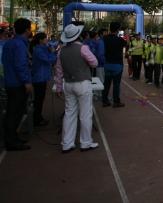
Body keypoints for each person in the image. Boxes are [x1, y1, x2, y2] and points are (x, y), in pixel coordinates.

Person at [54, 24, 99, 152]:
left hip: (68, 83)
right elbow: (94, 63)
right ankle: (85, 142)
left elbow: (59, 71)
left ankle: (67, 143)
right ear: (78, 36)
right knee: (85, 114)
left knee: (69, 114)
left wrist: (58, 87)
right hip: (83, 82)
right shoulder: (83, 48)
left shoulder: (61, 51)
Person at [2, 18, 33, 151]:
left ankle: (13, 138)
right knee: (15, 113)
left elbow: (10, 61)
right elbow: (20, 65)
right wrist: (26, 82)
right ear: (26, 30)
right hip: (18, 83)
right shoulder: (20, 45)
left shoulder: (10, 43)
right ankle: (11, 142)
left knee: (12, 112)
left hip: (10, 81)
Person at [29, 32, 57, 127]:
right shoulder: (38, 51)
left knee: (40, 98)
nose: (47, 40)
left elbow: (51, 49)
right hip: (39, 78)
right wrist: (53, 53)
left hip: (42, 77)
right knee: (38, 99)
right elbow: (49, 60)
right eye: (45, 39)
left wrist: (52, 49)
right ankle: (36, 118)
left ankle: (38, 116)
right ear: (40, 40)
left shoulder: (43, 49)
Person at [102, 22, 128, 108]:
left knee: (106, 83)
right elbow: (127, 43)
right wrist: (127, 32)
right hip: (117, 65)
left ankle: (105, 100)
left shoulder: (105, 38)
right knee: (116, 84)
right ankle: (116, 101)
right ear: (118, 30)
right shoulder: (119, 40)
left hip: (107, 63)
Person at [93, 28, 107, 101]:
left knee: (99, 80)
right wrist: (106, 62)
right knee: (101, 80)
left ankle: (97, 94)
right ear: (101, 34)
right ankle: (101, 95)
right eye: (105, 33)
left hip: (100, 64)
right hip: (101, 65)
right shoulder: (101, 42)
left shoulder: (101, 42)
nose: (106, 34)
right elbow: (100, 55)